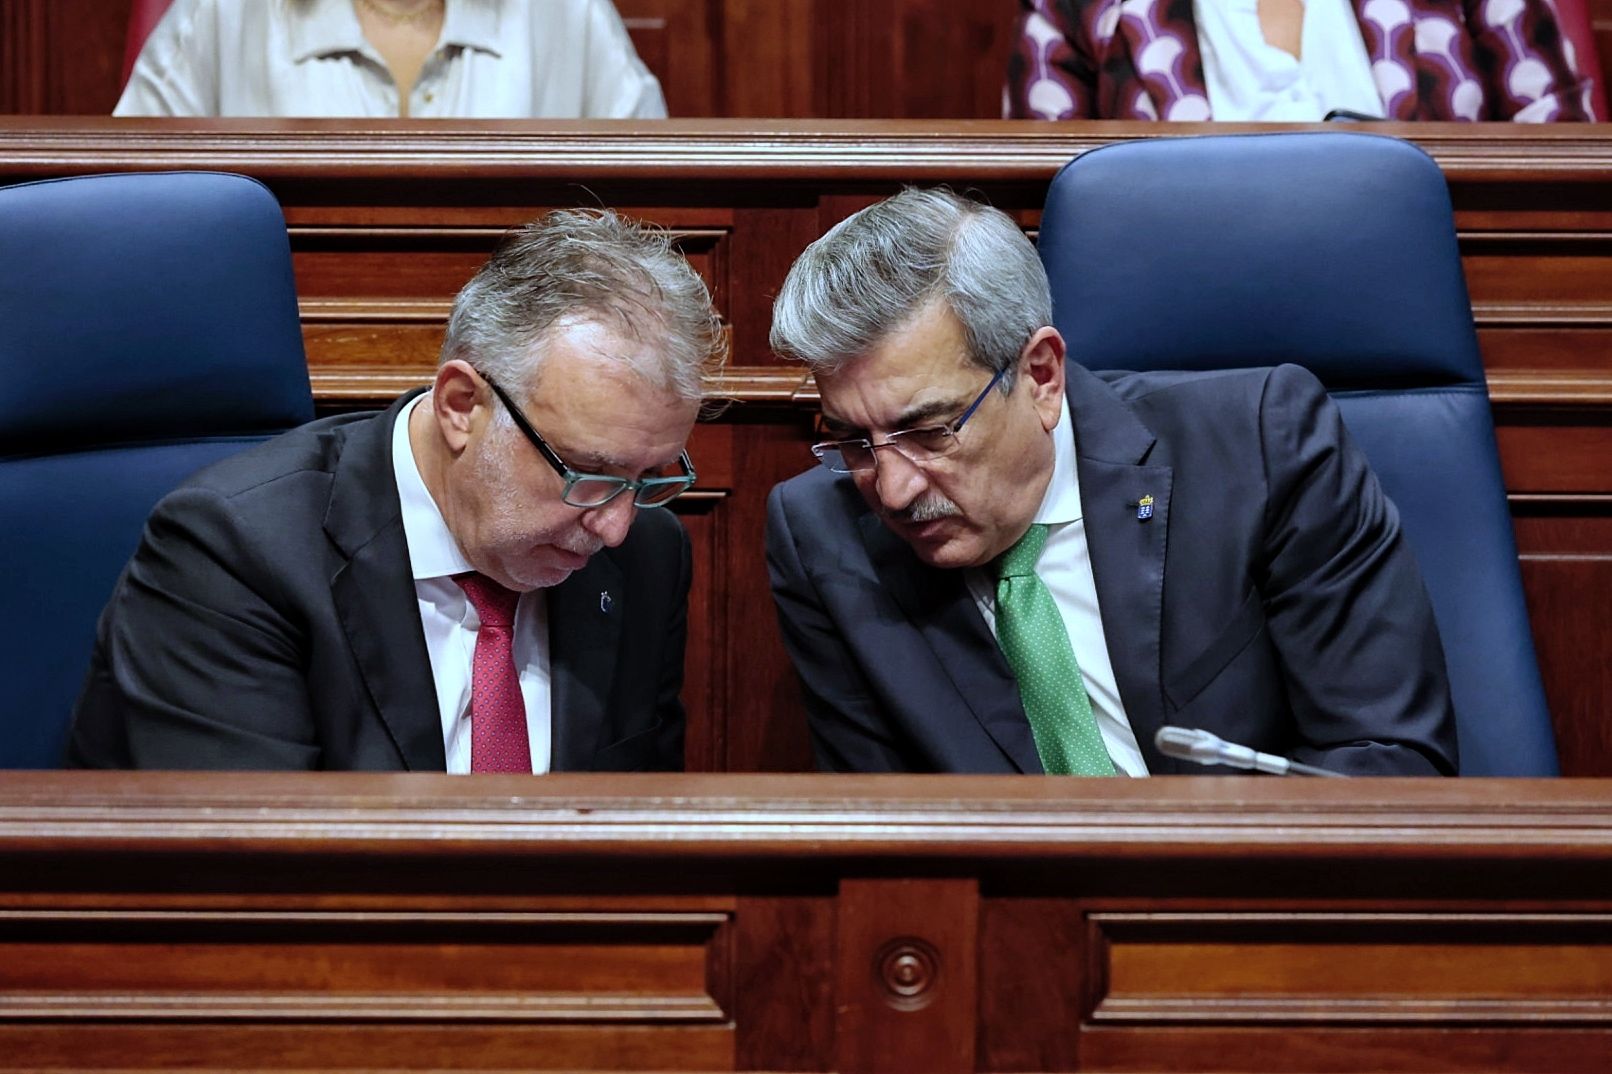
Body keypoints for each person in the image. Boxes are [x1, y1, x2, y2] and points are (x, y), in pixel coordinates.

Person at [765, 188, 1457, 777]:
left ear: (1040, 375)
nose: (891, 490)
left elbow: (1384, 761)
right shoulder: (821, 535)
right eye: (853, 441)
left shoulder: (1259, 448)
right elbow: (881, 834)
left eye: (928, 432)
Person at [68, 208, 724, 772]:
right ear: (462, 406)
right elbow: (248, 878)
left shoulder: (647, 556)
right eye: (588, 473)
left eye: (646, 479)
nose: (615, 526)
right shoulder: (236, 555)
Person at [1004, 0, 1595, 122]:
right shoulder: (1074, 11)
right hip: (1184, 359)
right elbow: (1040, 225)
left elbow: (1570, 184)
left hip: (1452, 328)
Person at [116, 0, 666, 118]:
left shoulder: (566, 12)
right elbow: (135, 200)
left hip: (521, 374)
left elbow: (656, 218)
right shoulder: (223, 12)